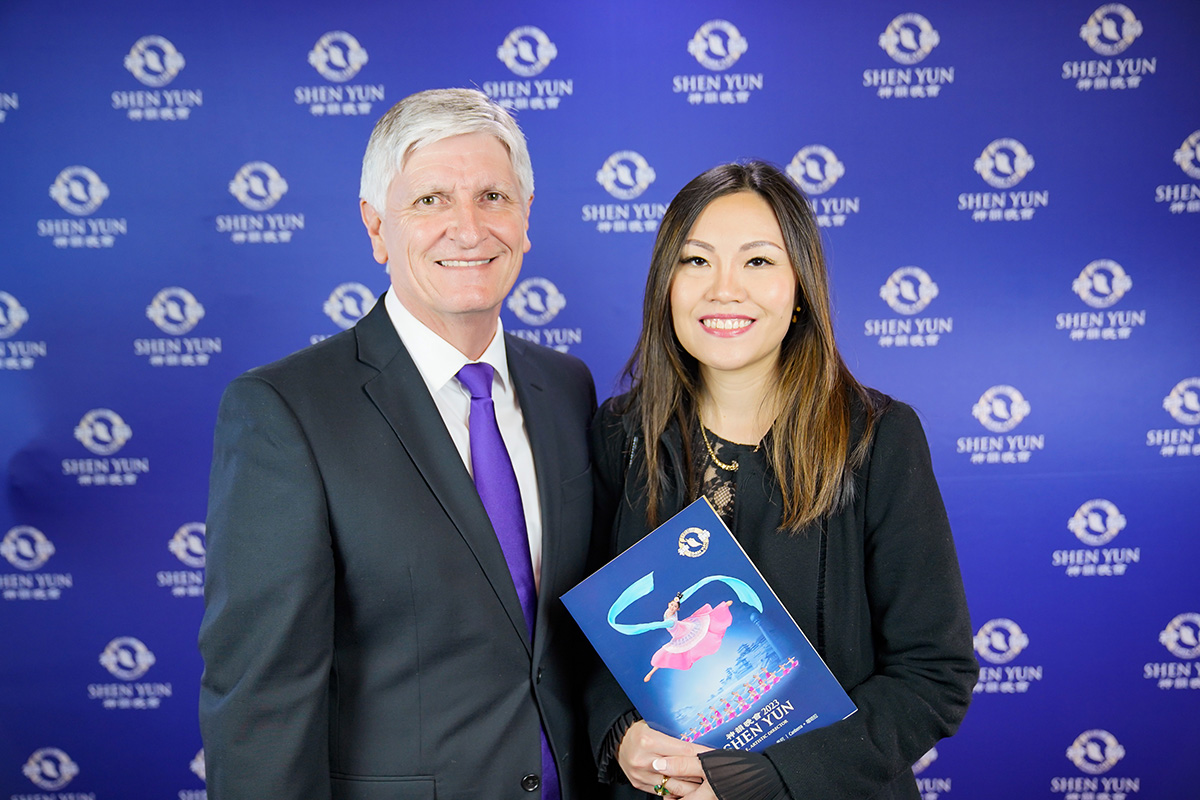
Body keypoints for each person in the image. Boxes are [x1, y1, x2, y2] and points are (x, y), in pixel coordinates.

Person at [199, 88, 597, 800]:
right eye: (430, 200)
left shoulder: (567, 388)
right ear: (376, 226)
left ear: (526, 217)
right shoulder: (286, 411)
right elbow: (261, 704)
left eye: (493, 197)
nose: (468, 229)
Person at [586, 161, 977, 799]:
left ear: (800, 289)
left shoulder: (878, 439)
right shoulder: (620, 436)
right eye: (696, 261)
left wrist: (760, 782)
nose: (724, 290)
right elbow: (588, 639)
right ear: (666, 286)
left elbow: (936, 674)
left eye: (759, 261)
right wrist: (620, 732)